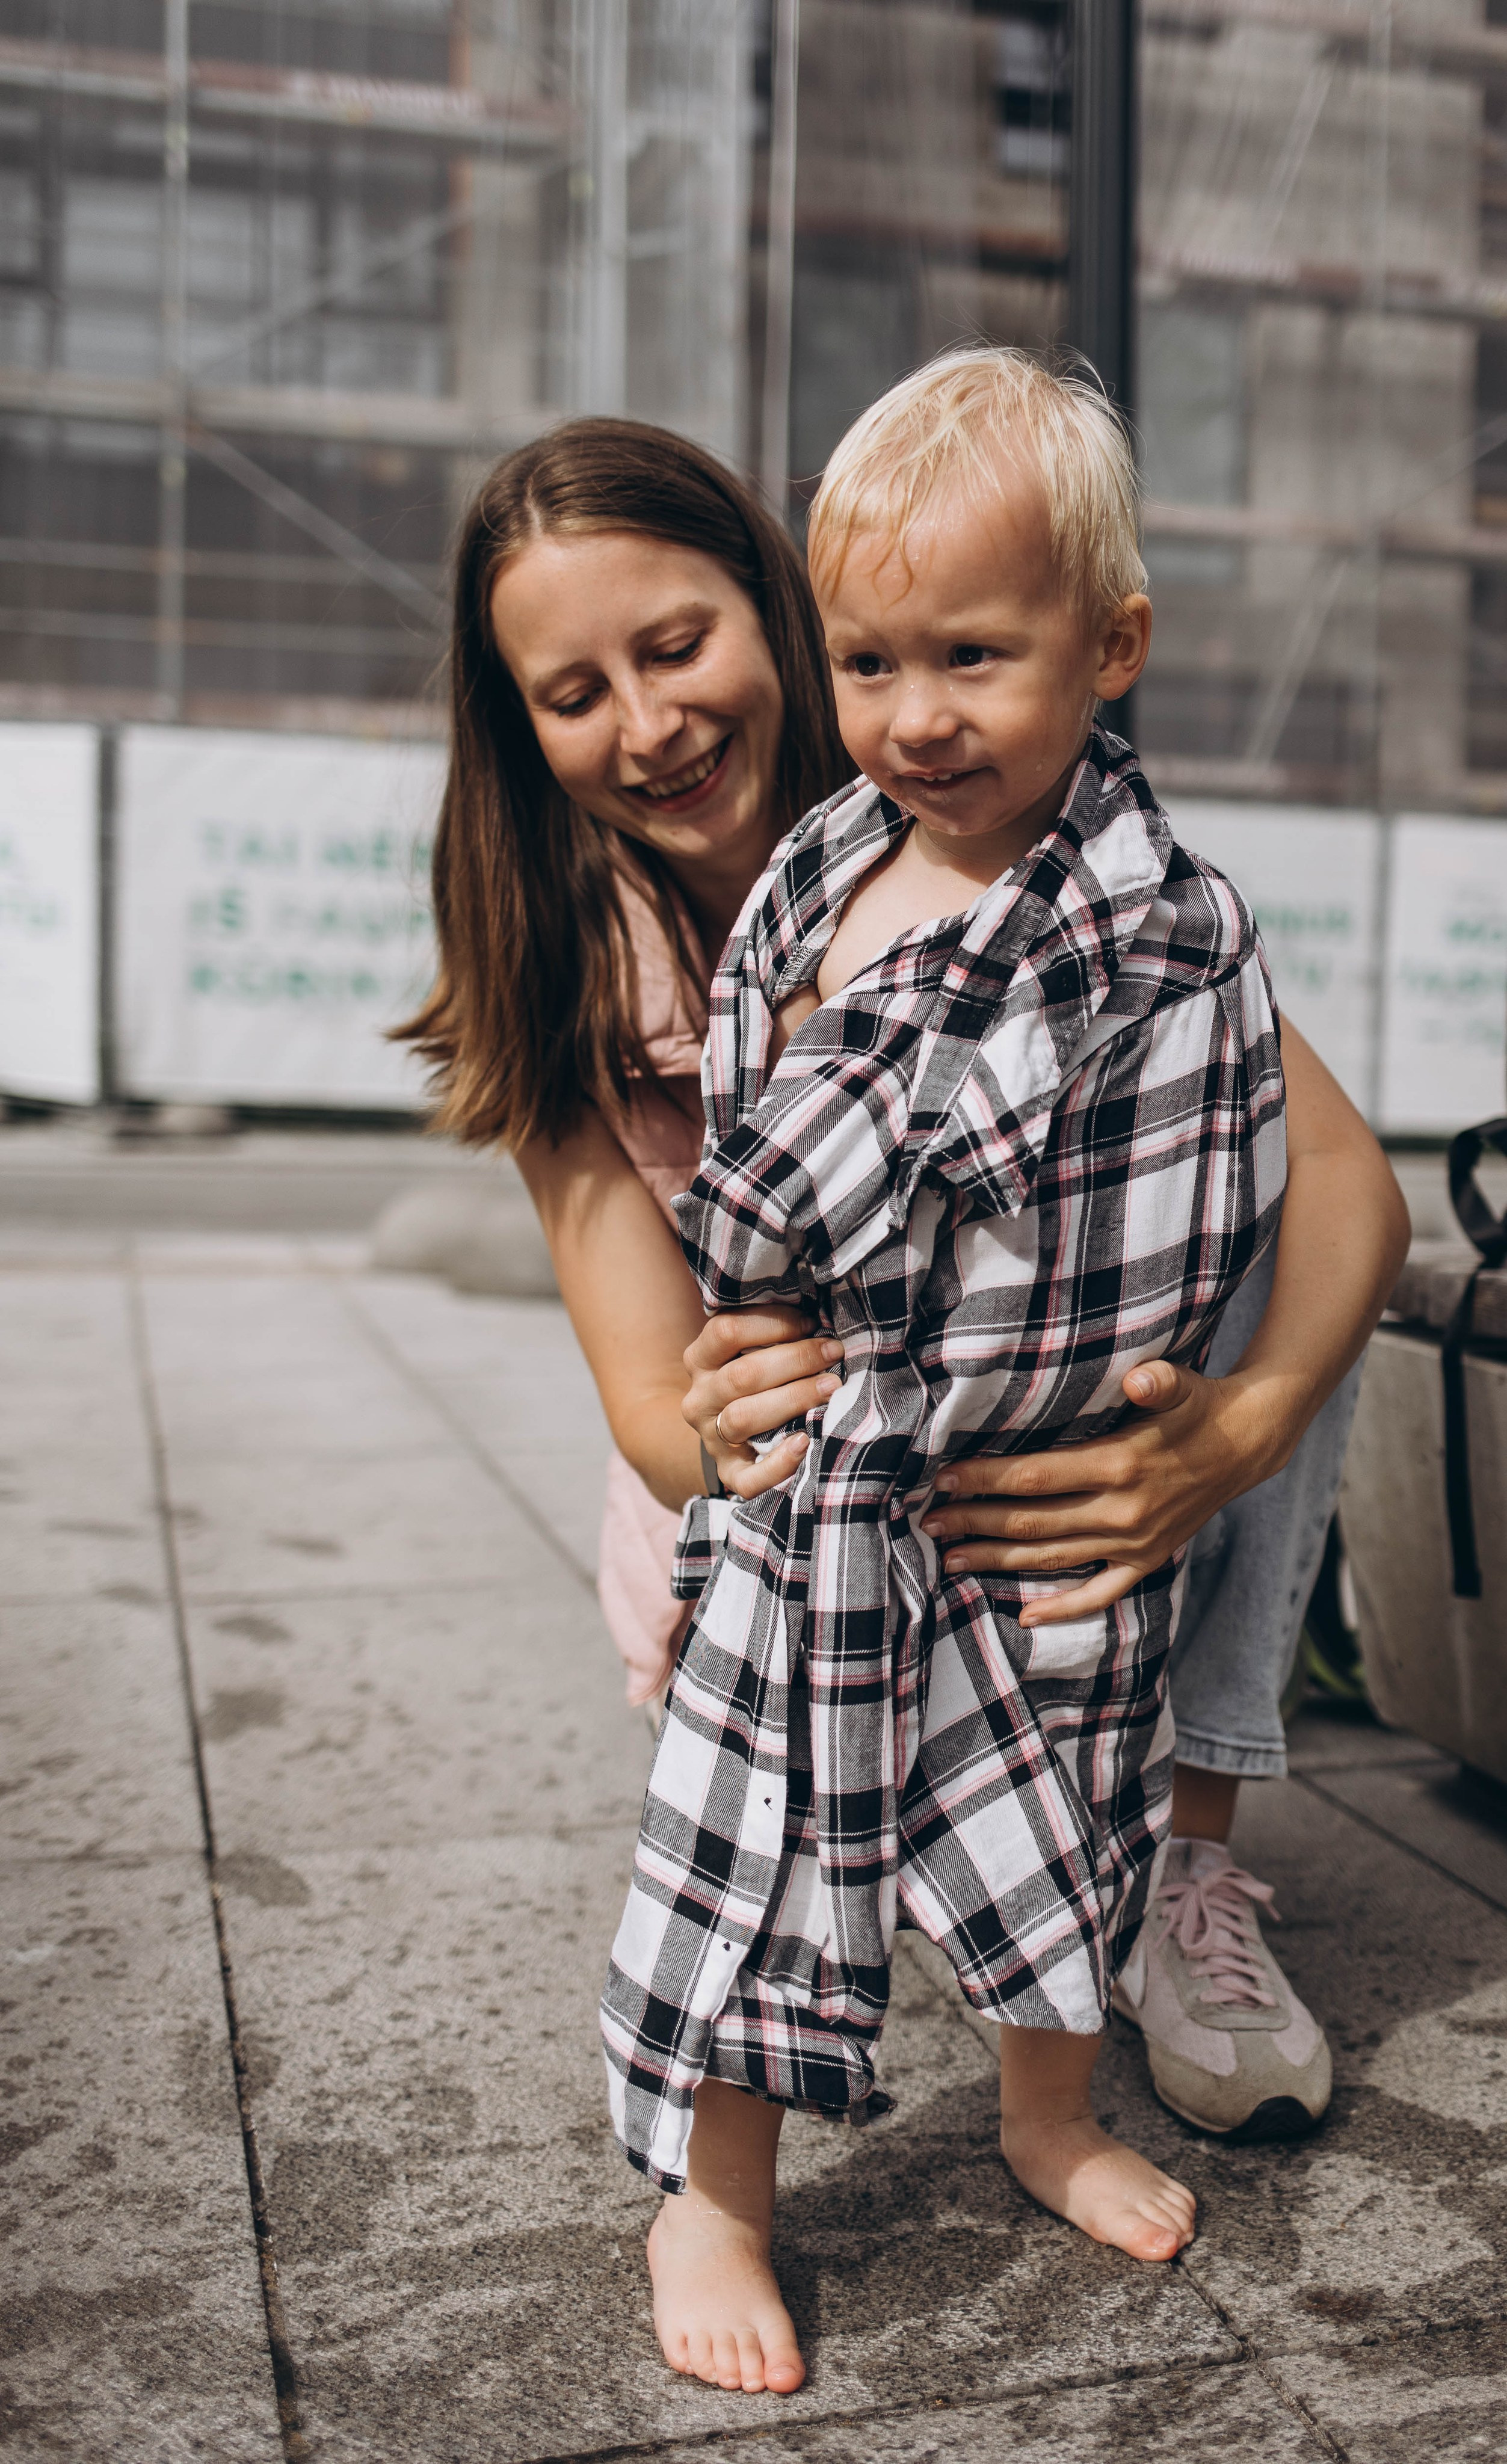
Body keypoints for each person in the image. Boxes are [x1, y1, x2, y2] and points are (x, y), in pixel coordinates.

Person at [399, 407, 1408, 2388]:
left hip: (1038, 1421)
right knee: (777, 1776)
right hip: (759, 1463)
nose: (649, 723)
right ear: (521, 730)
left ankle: (1152, 1910)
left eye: (678, 644)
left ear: (777, 614)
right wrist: (810, 1432)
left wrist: (1227, 1429)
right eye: (574, 692)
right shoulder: (593, 956)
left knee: (1247, 1301)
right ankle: (716, 2182)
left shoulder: (1028, 852)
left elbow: (1339, 1171)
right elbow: (649, 1398)